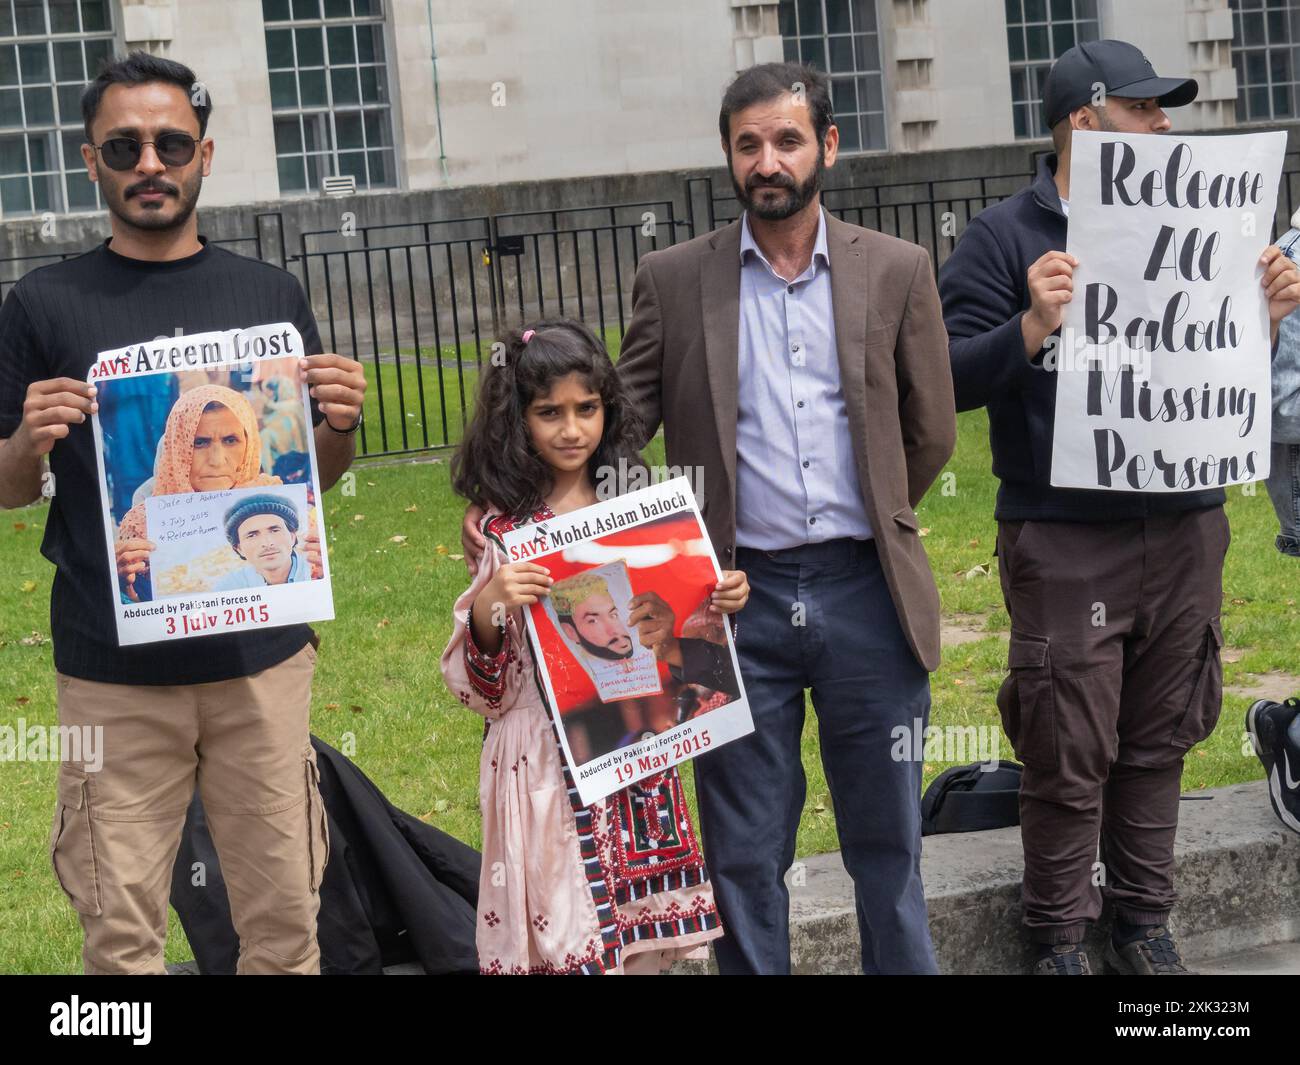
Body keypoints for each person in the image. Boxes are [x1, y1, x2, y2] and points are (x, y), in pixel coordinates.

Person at [463, 63, 955, 974]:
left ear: (828, 147)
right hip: (725, 605)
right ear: (729, 155)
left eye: (788, 140)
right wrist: (630, 548)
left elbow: (929, 432)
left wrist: (878, 514)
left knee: (888, 846)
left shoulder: (896, 270)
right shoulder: (675, 278)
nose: (768, 161)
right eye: (748, 144)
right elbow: (621, 428)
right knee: (743, 851)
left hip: (868, 596)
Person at [0, 52, 367, 974]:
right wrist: (25, 442)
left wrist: (342, 425)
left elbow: (311, 477)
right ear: (92, 162)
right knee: (120, 932)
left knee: (285, 919)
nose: (149, 163)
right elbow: (7, 487)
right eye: (125, 146)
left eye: (170, 143)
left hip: (258, 663)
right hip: (113, 671)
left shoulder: (268, 295)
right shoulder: (44, 303)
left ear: (203, 153)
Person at [939, 39, 1300, 975]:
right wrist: (1028, 327)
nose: (1164, 123)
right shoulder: (1004, 237)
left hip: (1186, 524)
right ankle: (1057, 937)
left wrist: (1267, 315)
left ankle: (1144, 925)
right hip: (1064, 538)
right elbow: (939, 375)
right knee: (1068, 740)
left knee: (1163, 730)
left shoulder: (1206, 225)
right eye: (1144, 108)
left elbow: (1213, 368)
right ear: (1086, 121)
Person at [442, 318, 749, 975]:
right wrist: (494, 600)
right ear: (516, 420)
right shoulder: (503, 528)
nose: (571, 428)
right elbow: (487, 690)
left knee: (644, 948)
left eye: (587, 408)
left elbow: (686, 650)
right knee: (565, 942)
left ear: (609, 410)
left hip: (637, 762)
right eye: (548, 412)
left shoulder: (641, 512)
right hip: (545, 768)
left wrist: (717, 603)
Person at [113, 383, 310, 601]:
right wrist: (122, 586)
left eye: (230, 440)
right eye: (199, 443)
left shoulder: (279, 503)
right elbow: (140, 620)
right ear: (178, 448)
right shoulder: (143, 523)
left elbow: (294, 604)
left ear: (249, 445)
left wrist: (312, 569)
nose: (216, 460)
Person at [213, 492, 313, 590]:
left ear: (292, 537)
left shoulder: (316, 571)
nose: (267, 543)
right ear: (239, 549)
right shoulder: (228, 587)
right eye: (252, 535)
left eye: (274, 530)